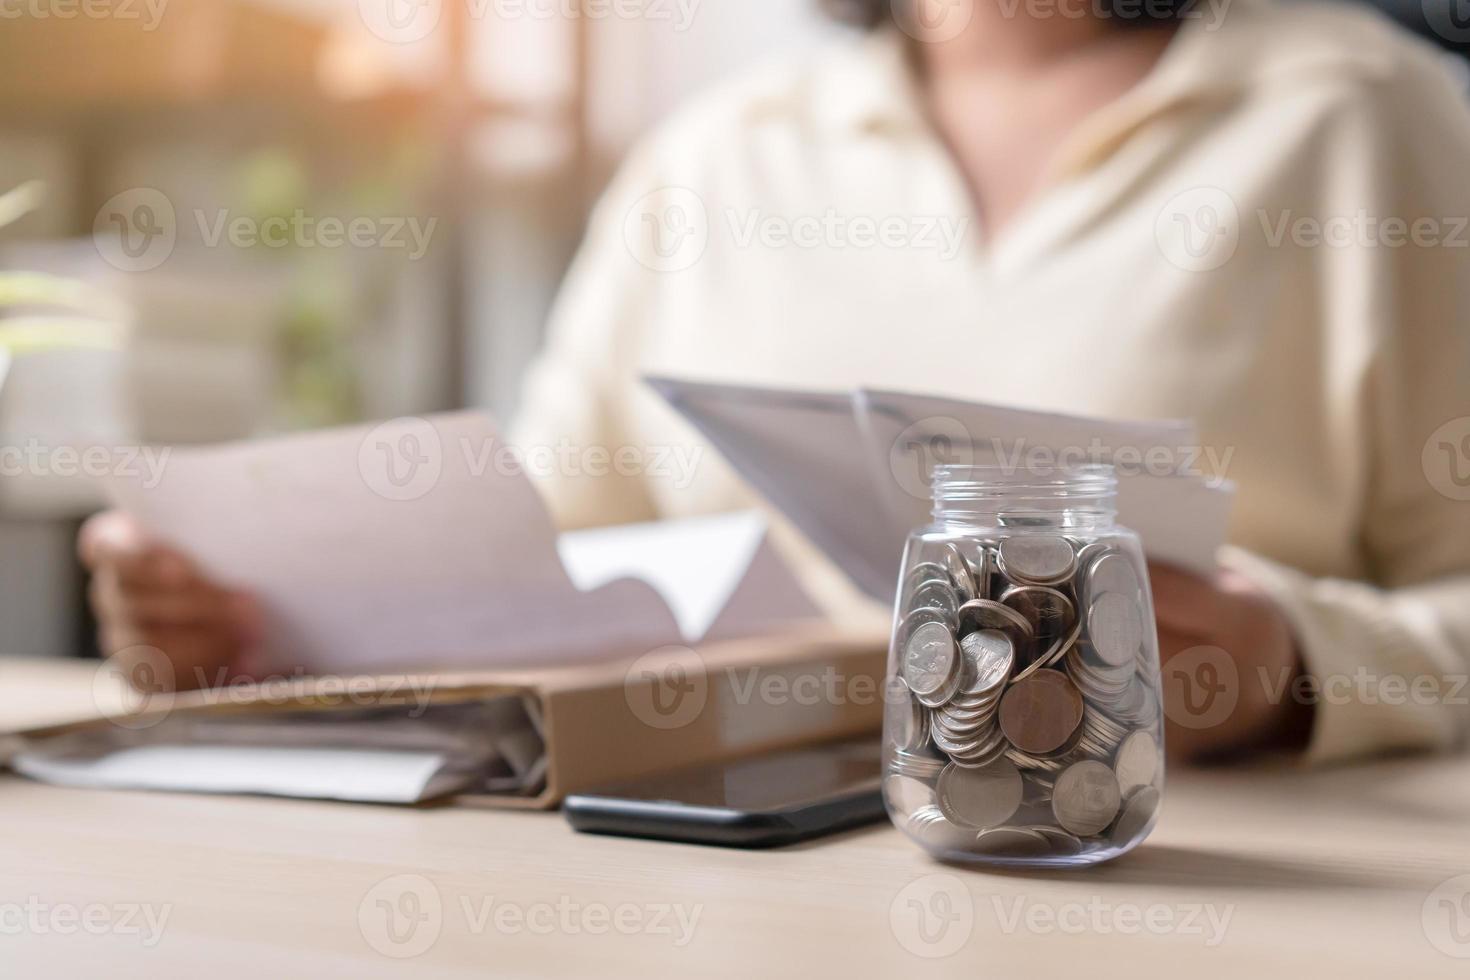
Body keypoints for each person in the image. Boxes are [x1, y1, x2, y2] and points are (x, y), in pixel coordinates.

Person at [81, 0, 1470, 765]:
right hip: (727, 881)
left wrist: (1287, 666)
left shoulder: (1362, 118)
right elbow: (541, 558)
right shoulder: (716, 155)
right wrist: (260, 626)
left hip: (1185, 890)